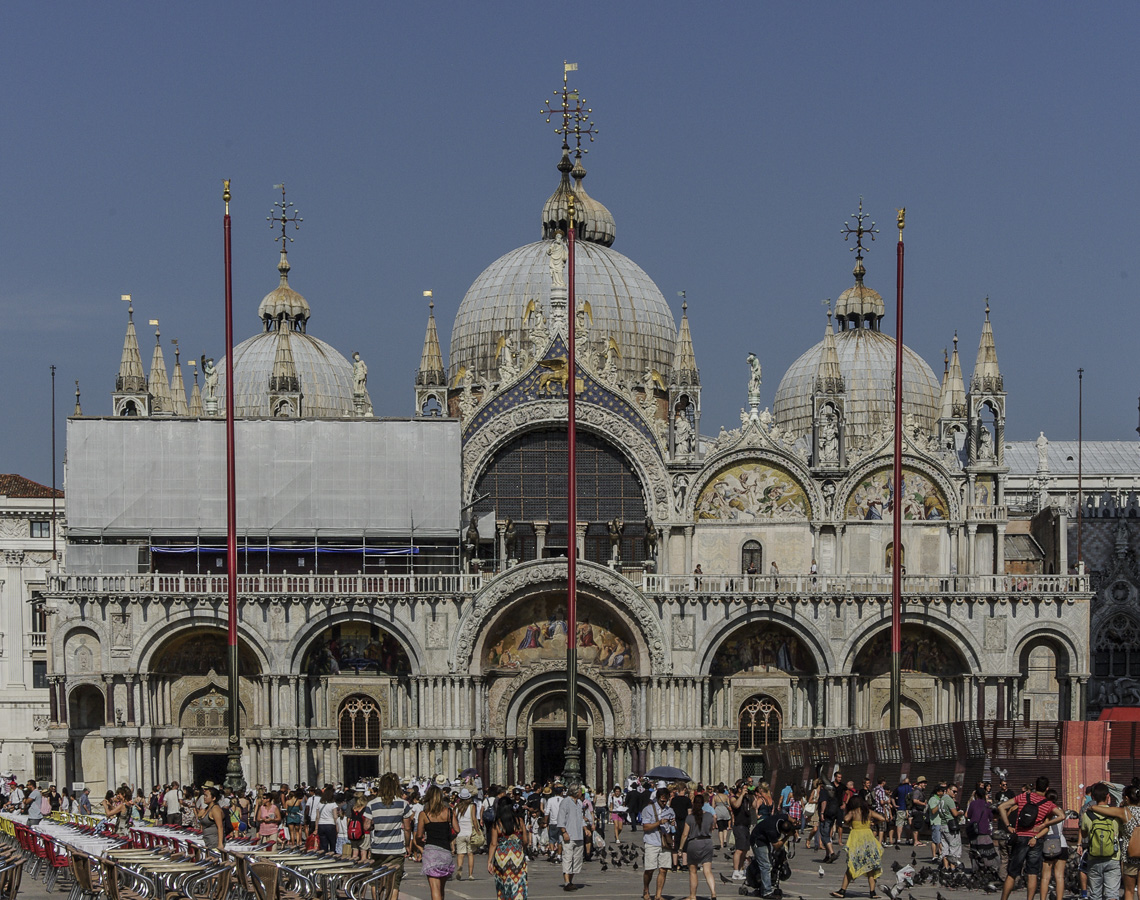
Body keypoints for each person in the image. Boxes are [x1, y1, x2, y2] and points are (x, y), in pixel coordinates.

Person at [997, 775, 1065, 900]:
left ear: (1036, 785)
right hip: (1036, 839)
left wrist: (1008, 826)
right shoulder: (1048, 804)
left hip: (1020, 837)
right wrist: (1044, 824)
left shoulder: (1024, 796)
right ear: (1047, 788)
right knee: (1032, 873)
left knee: (1012, 873)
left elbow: (1001, 807)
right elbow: (1062, 816)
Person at [830, 795, 886, 898]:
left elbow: (845, 819)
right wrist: (873, 823)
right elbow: (882, 818)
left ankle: (842, 891)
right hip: (868, 839)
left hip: (857, 840)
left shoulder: (853, 812)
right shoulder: (868, 812)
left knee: (851, 866)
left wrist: (850, 822)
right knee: (870, 867)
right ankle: (872, 892)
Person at [365, 773, 409, 893]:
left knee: (375, 879)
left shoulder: (371, 804)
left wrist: (375, 825)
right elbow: (407, 828)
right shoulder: (403, 804)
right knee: (395, 881)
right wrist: (408, 844)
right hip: (397, 848)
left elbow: (366, 826)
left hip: (378, 847)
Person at [1080, 782, 1122, 900]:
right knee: (1112, 894)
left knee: (1095, 895)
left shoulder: (1087, 815)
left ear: (1092, 798)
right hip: (1113, 857)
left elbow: (1084, 834)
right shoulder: (1116, 813)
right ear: (1108, 796)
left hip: (1094, 857)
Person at [416, 784, 458, 900]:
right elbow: (457, 829)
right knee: (441, 889)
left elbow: (419, 835)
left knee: (435, 889)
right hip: (445, 852)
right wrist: (449, 837)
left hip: (431, 852)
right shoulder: (448, 812)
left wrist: (420, 842)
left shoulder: (424, 814)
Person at [488, 794, 528, 900]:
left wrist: (489, 862)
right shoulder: (519, 821)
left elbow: (493, 844)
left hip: (502, 856)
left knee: (503, 883)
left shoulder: (497, 824)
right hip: (517, 855)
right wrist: (520, 847)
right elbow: (525, 840)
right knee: (518, 882)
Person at [679, 791, 717, 900]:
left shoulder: (690, 817)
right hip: (707, 842)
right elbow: (712, 828)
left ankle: (693, 896)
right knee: (707, 870)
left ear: (694, 803)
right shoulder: (709, 816)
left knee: (693, 871)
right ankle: (713, 893)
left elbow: (685, 834)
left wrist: (681, 848)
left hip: (694, 843)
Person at [751, 809, 795, 900]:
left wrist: (794, 823)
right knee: (766, 866)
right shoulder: (772, 831)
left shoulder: (782, 819)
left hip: (764, 839)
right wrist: (787, 836)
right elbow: (776, 846)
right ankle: (766, 892)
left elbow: (788, 817)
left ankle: (763, 886)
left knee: (770, 864)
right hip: (758, 841)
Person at [641, 786, 676, 900]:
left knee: (663, 869)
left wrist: (672, 824)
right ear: (657, 798)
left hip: (665, 842)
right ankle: (646, 889)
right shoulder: (648, 809)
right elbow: (645, 827)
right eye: (662, 801)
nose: (664, 803)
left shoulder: (670, 810)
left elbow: (673, 828)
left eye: (666, 800)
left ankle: (658, 895)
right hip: (652, 841)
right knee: (650, 869)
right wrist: (659, 822)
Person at [1037, 788, 1068, 900]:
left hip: (1048, 845)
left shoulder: (1045, 811)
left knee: (1045, 877)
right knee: (1059, 876)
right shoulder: (1060, 810)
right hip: (1062, 843)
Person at [556, 785, 587, 891]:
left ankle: (571, 880)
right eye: (580, 791)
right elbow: (560, 818)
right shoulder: (566, 802)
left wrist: (585, 828)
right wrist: (564, 832)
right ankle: (566, 882)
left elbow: (580, 817)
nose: (581, 793)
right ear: (576, 792)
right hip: (569, 835)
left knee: (577, 859)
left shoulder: (579, 803)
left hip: (579, 835)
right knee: (568, 858)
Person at [966, 785, 999, 875]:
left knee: (974, 851)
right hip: (984, 831)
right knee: (987, 852)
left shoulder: (973, 803)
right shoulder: (987, 805)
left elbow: (968, 815)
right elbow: (991, 817)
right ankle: (988, 869)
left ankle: (975, 870)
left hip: (973, 831)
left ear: (976, 795)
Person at [454, 788, 482, 881]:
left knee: (460, 854)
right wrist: (477, 830)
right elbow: (474, 819)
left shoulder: (456, 807)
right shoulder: (472, 806)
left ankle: (459, 868)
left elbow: (454, 820)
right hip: (470, 833)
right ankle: (470, 874)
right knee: (470, 854)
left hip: (460, 833)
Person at [198, 785, 226, 851]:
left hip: (214, 843)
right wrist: (199, 816)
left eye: (206, 796)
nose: (204, 797)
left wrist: (220, 844)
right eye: (204, 795)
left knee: (212, 860)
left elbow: (220, 827)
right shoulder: (207, 809)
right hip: (208, 841)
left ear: (213, 798)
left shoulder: (215, 809)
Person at [314, 786, 340, 852]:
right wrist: (337, 827)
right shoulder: (333, 804)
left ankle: (324, 856)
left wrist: (316, 828)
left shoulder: (319, 804)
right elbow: (335, 817)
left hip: (321, 825)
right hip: (331, 825)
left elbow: (317, 817)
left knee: (323, 844)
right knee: (332, 844)